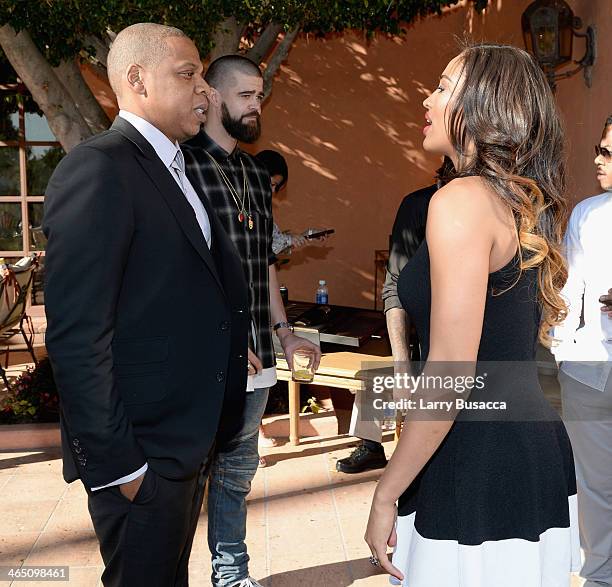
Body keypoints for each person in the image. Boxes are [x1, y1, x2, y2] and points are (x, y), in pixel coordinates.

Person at [364, 43, 579, 586]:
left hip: (479, 460)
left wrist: (386, 490)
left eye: (441, 87)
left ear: (482, 106)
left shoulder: (461, 200)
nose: (426, 99)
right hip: (521, 449)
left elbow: (452, 372)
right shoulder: (514, 201)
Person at [43, 24, 249, 587]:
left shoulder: (175, 167)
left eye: (204, 76)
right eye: (188, 74)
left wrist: (230, 345)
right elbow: (77, 337)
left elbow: (170, 291)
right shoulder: (100, 168)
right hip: (143, 456)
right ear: (136, 80)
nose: (204, 90)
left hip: (184, 444)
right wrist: (124, 469)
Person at [183, 55, 321, 587]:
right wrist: (219, 342)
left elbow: (262, 261)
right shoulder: (184, 166)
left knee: (238, 473)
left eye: (259, 95)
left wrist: (284, 332)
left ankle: (231, 574)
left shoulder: (255, 174)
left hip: (259, 350)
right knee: (189, 477)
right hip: (205, 355)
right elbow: (180, 269)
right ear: (213, 96)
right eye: (245, 95)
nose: (255, 105)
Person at [337, 166, 450, 474]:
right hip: (416, 321)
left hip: (455, 334)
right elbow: (394, 286)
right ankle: (371, 444)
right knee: (378, 361)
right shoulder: (417, 205)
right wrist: (402, 366)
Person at [553, 115, 612, 587]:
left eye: (609, 153)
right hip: (588, 367)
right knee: (594, 487)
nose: (598, 158)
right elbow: (571, 289)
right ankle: (598, 579)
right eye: (600, 148)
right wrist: (560, 347)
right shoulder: (587, 213)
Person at [255, 149, 330, 256]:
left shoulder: (262, 208)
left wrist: (308, 234)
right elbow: (259, 246)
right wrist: (290, 239)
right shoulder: (241, 203)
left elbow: (275, 245)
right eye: (272, 184)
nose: (272, 191)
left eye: (276, 187)